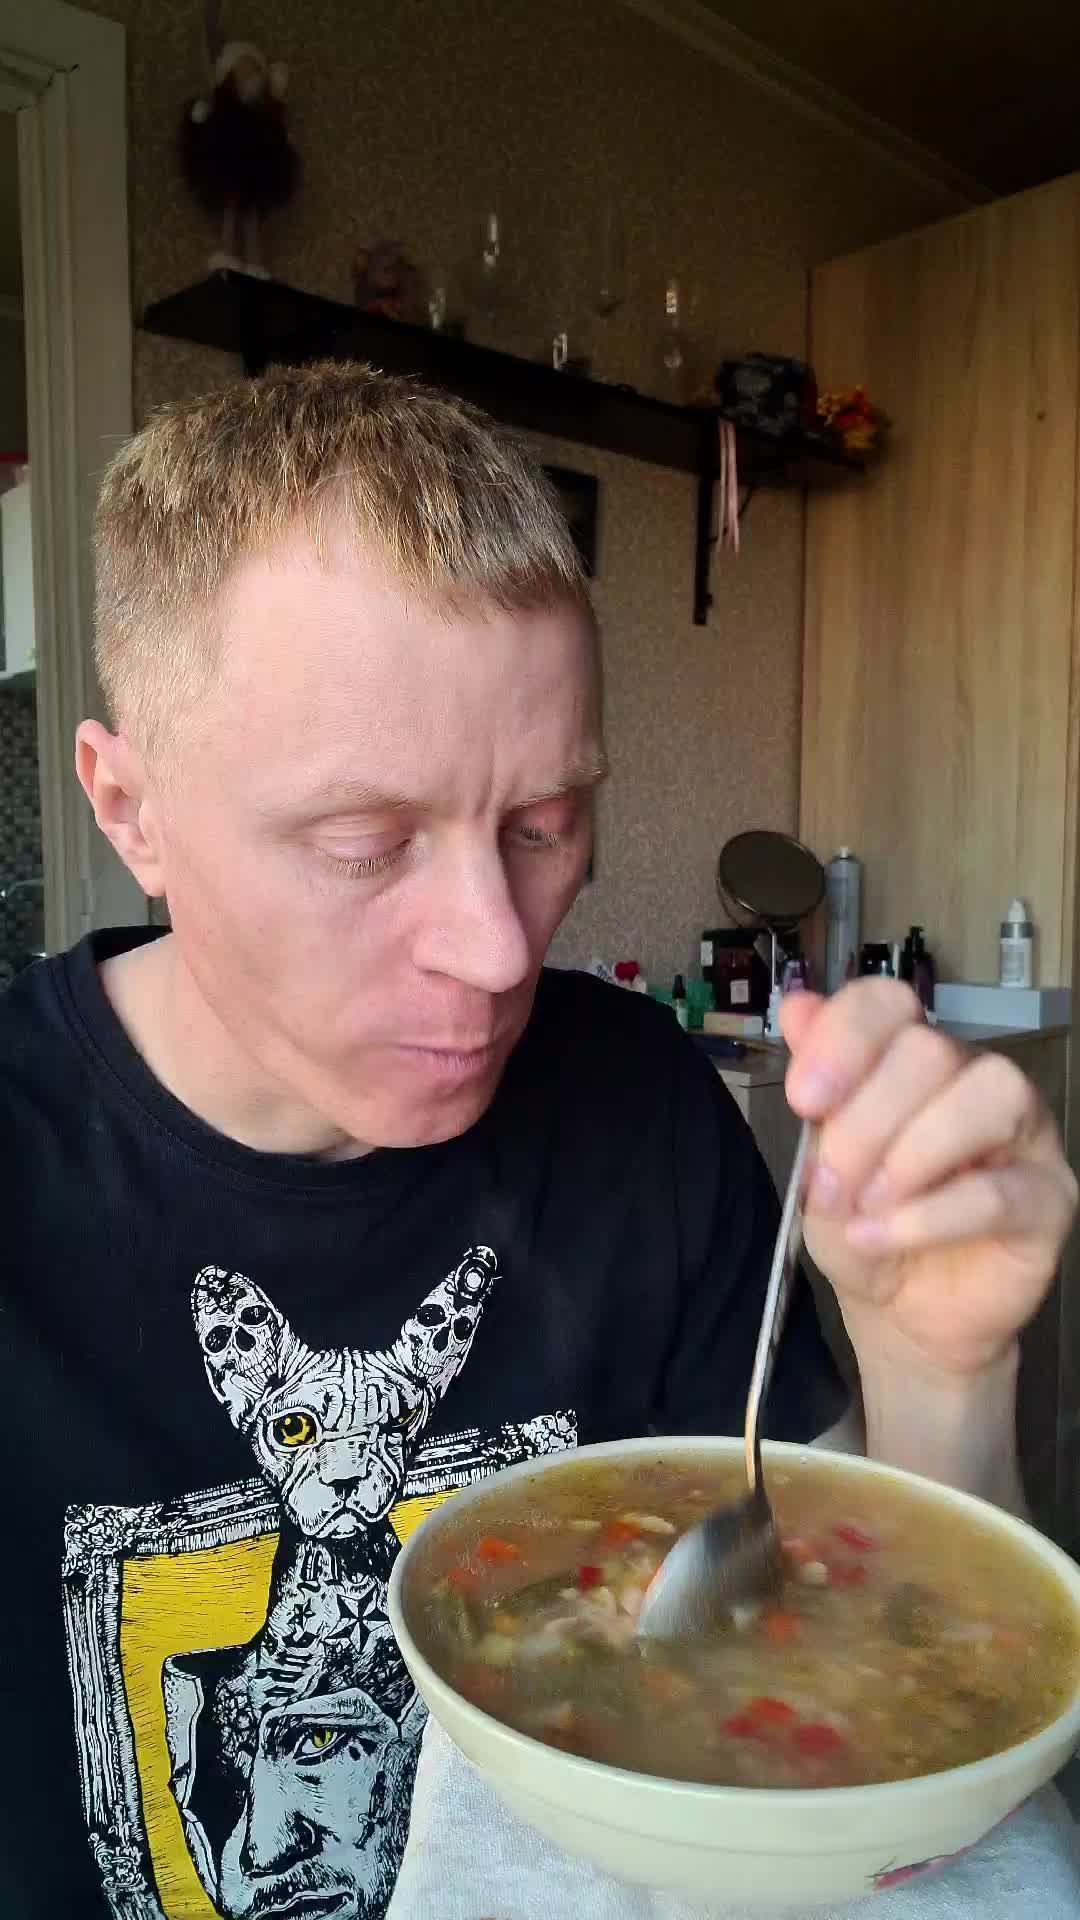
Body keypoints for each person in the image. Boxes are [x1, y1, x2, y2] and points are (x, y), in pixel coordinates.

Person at [1, 360, 1073, 1920]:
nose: (500, 949)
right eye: (364, 842)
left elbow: (899, 1756)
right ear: (130, 808)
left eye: (545, 825)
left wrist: (942, 1372)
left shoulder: (642, 1106)